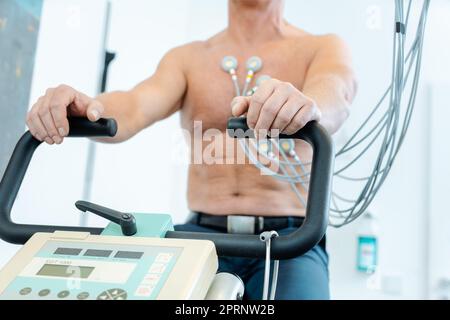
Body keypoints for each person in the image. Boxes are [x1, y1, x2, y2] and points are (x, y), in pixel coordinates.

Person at [25, 0, 357, 300]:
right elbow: (134, 106)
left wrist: (307, 106)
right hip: (201, 233)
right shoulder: (188, 58)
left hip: (289, 239)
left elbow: (335, 96)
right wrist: (86, 108)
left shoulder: (321, 47)